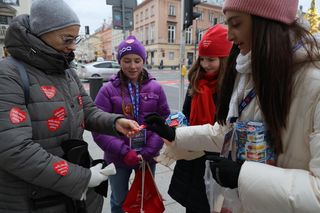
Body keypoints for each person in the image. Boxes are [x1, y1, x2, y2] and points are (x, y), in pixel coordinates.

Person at [144, 0, 320, 212]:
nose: (229, 36)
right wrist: (174, 135)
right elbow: (229, 133)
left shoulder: (313, 85)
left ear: (268, 23)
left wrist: (242, 175)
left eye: (236, 24)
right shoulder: (253, 73)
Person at [0, 0, 139, 212]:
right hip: (32, 198)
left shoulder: (64, 69)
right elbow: (14, 150)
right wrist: (82, 178)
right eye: (67, 39)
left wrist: (115, 122)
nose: (73, 46)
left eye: (76, 39)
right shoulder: (8, 75)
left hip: (66, 194)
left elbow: (87, 110)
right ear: (40, 33)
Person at [92, 35, 170, 213]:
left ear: (144, 60)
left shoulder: (156, 88)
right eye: (127, 61)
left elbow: (164, 121)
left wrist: (150, 149)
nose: (132, 66)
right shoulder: (107, 90)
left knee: (145, 198)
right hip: (117, 157)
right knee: (119, 200)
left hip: (147, 156)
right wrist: (123, 151)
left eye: (137, 60)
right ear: (119, 61)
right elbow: (99, 127)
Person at [168, 24, 232, 213]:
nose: (204, 64)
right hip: (192, 156)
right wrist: (175, 125)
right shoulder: (196, 81)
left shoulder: (232, 87)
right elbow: (186, 116)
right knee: (194, 206)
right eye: (202, 58)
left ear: (225, 58)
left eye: (211, 59)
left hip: (217, 162)